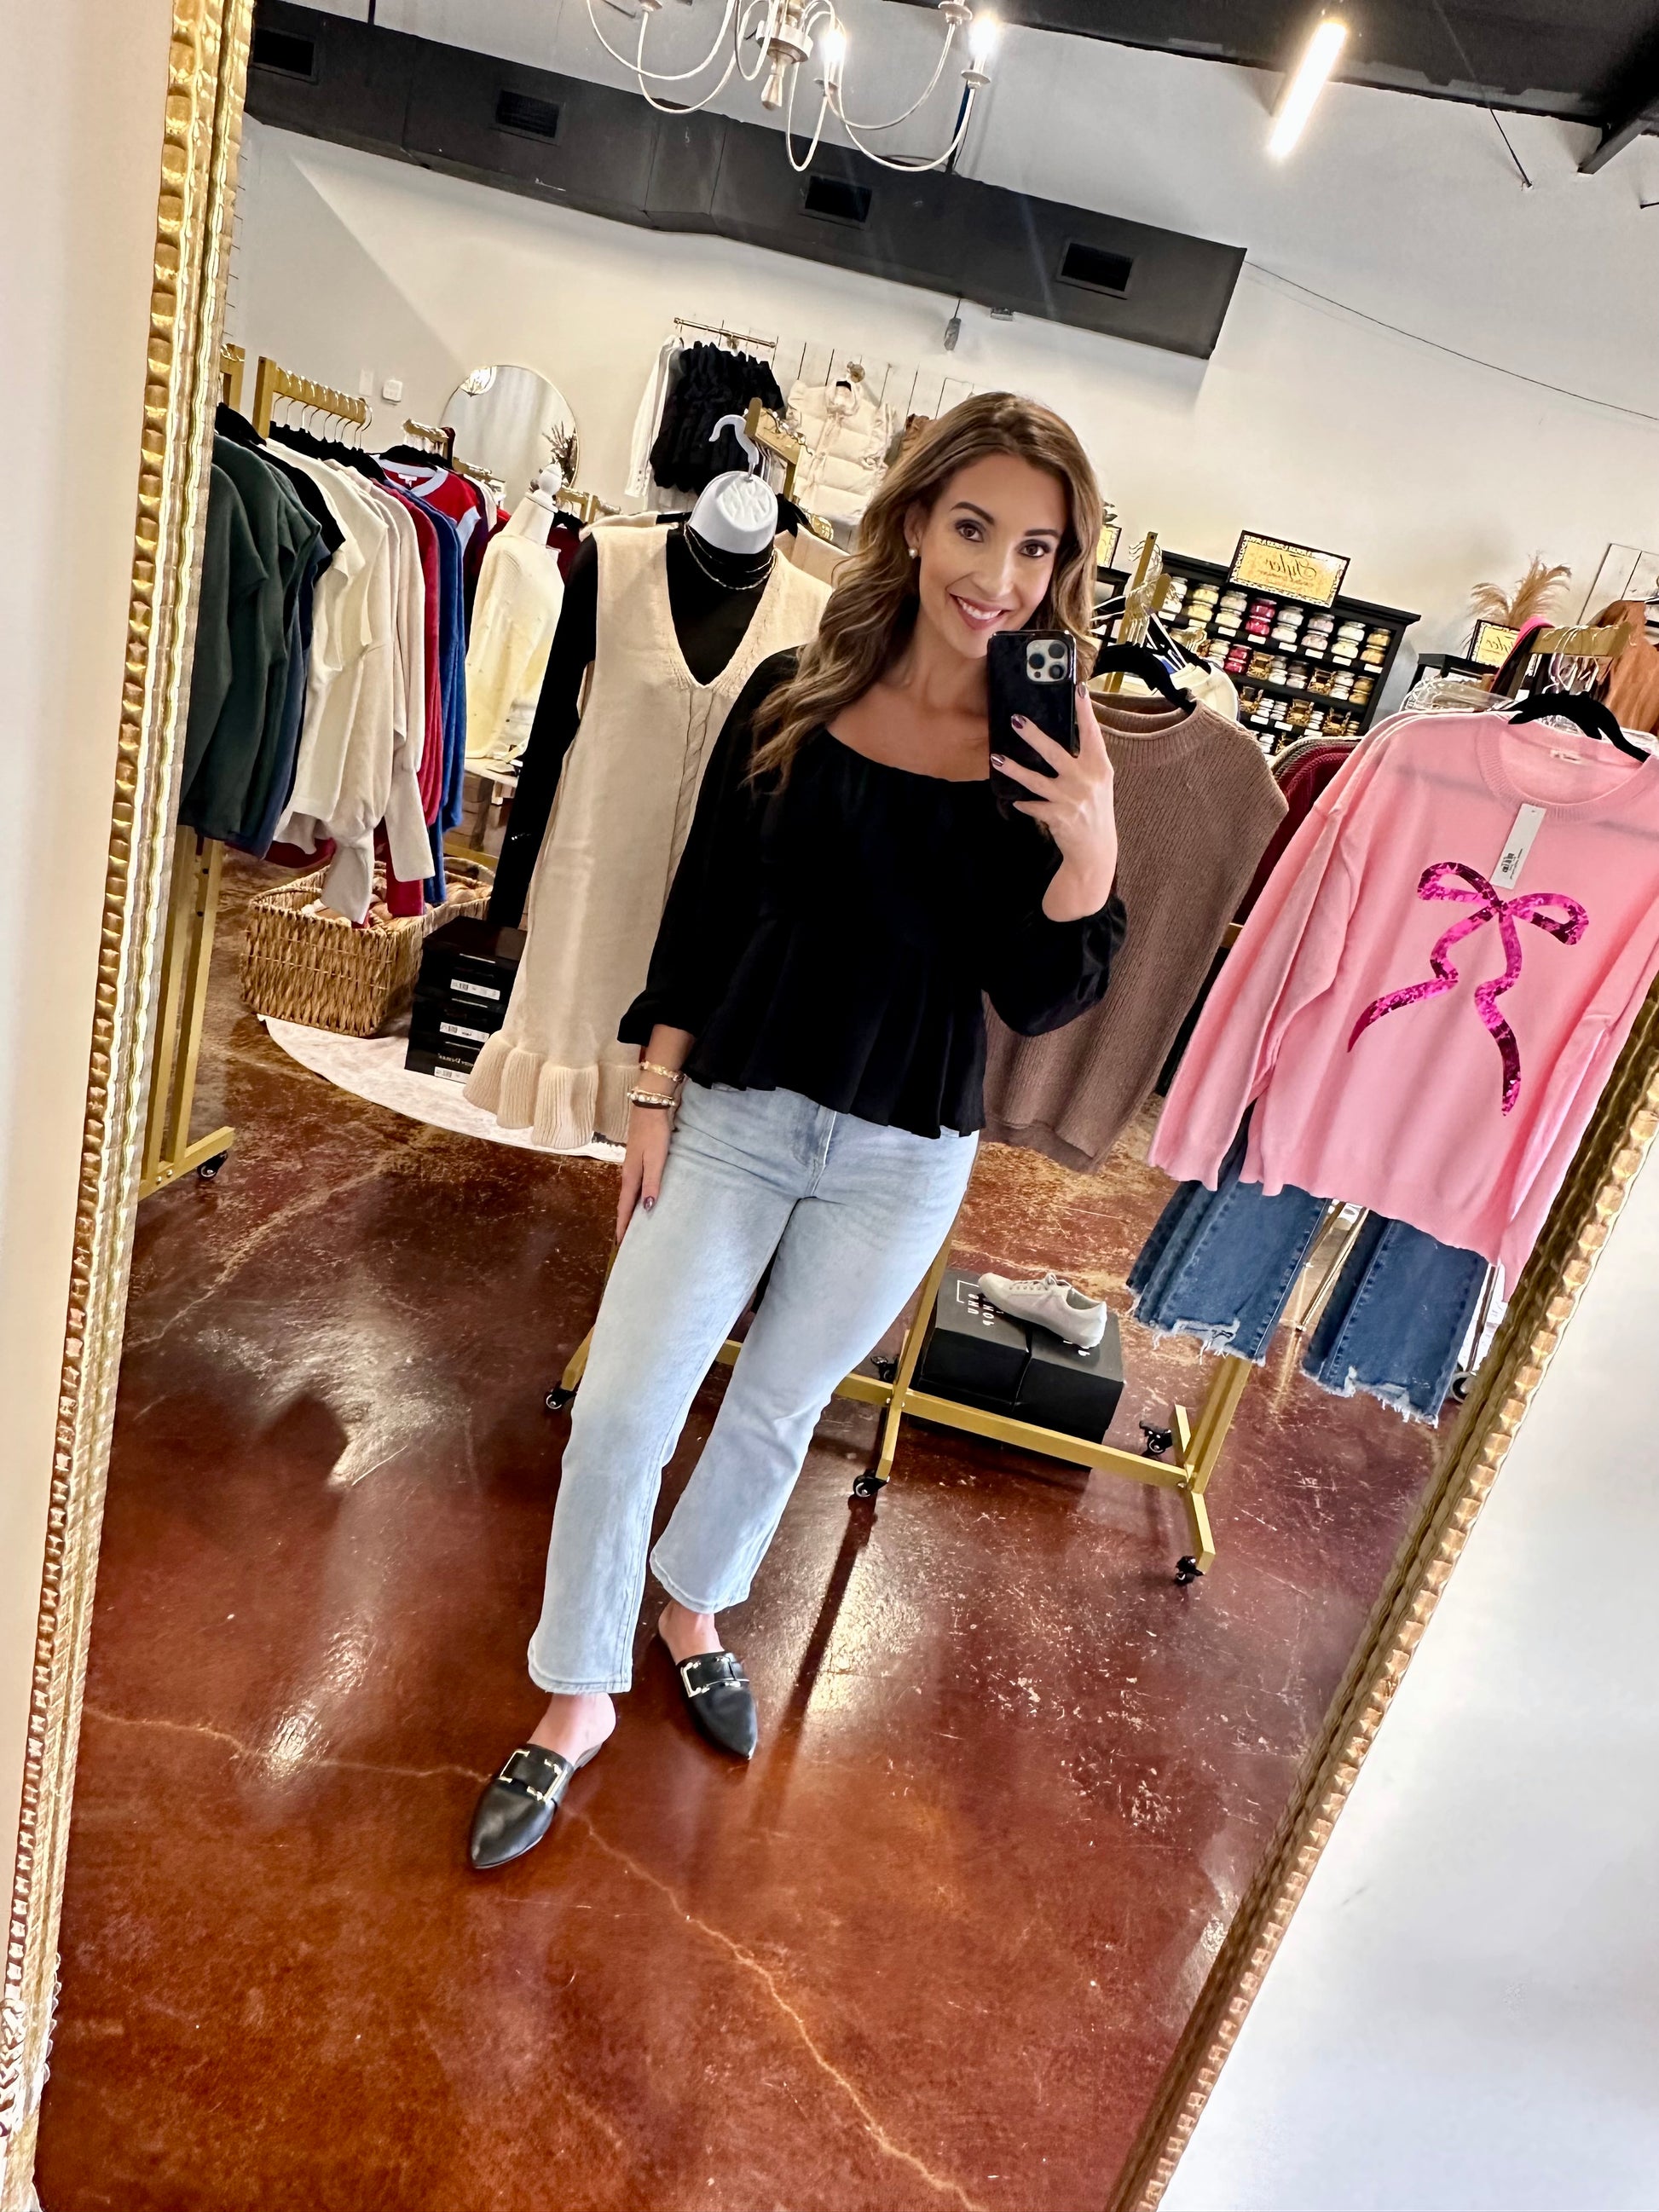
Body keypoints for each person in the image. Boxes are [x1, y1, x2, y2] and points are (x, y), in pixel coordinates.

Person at [470, 392, 1126, 1870]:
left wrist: (1086, 842)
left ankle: (693, 1606)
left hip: (903, 1153)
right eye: (973, 528)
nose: (998, 577)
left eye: (1036, 549)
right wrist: (653, 1089)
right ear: (915, 522)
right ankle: (576, 1689)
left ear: (1064, 567)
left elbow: (1041, 992)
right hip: (735, 1113)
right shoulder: (796, 690)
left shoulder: (1050, 747)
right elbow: (705, 905)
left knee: (777, 1408)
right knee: (625, 1405)